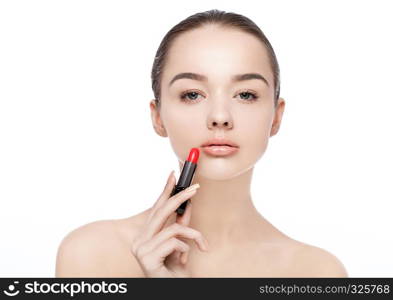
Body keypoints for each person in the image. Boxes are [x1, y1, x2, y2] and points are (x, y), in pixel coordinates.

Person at [55, 9, 348, 277]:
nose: (220, 117)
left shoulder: (317, 273)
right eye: (192, 94)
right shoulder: (91, 255)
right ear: (158, 117)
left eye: (245, 94)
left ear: (276, 117)